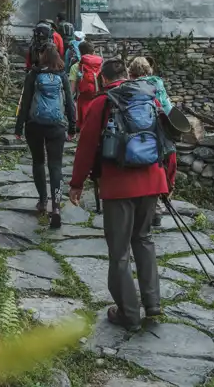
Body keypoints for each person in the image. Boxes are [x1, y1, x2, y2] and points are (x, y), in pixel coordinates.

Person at [68, 57, 174, 331]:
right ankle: (153, 304)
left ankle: (129, 313)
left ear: (103, 79)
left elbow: (87, 146)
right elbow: (167, 141)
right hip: (152, 180)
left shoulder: (102, 103)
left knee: (119, 252)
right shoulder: (151, 97)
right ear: (127, 75)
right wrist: (167, 181)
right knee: (144, 239)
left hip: (118, 186)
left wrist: (76, 182)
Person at [16, 43, 76, 229]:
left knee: (38, 162)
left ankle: (43, 201)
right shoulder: (62, 75)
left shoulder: (33, 75)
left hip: (34, 125)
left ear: (42, 56)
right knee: (56, 166)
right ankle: (56, 206)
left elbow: (25, 102)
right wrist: (73, 126)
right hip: (56, 126)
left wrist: (19, 127)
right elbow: (69, 102)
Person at [128, 56, 177, 227]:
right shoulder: (158, 83)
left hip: (139, 134)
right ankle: (156, 211)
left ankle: (140, 209)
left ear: (132, 71)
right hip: (161, 133)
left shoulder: (131, 86)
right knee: (160, 169)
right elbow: (168, 108)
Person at [74, 41, 103, 132]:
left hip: (85, 90)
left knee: (83, 107)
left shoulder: (79, 64)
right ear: (93, 51)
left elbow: (77, 79)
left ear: (80, 51)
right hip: (98, 89)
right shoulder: (100, 62)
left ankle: (83, 128)